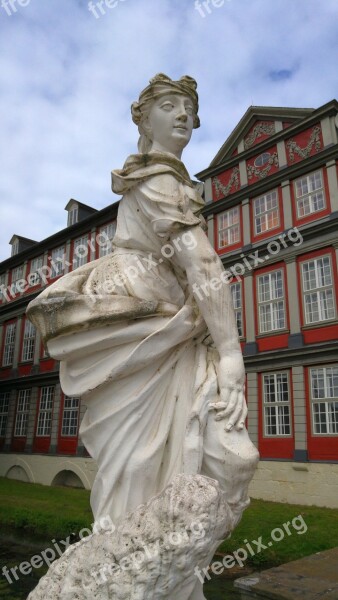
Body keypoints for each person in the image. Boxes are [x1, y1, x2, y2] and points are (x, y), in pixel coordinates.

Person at [27, 74, 258, 588]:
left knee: (184, 462)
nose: (184, 116)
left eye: (190, 109)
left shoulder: (169, 182)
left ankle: (162, 576)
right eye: (171, 105)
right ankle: (130, 579)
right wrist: (230, 353)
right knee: (138, 465)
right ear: (143, 117)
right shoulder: (157, 181)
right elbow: (204, 267)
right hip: (144, 332)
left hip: (172, 332)